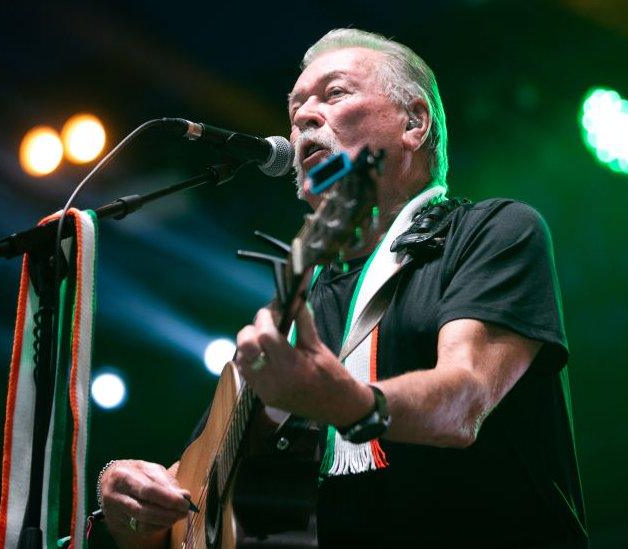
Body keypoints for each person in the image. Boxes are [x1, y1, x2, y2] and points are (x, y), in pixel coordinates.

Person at [98, 28, 588, 548]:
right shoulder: (291, 314)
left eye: (334, 94)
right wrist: (130, 498)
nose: (304, 118)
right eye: (296, 109)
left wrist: (347, 401)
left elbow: (464, 401)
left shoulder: (492, 233)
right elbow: (185, 498)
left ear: (414, 123)